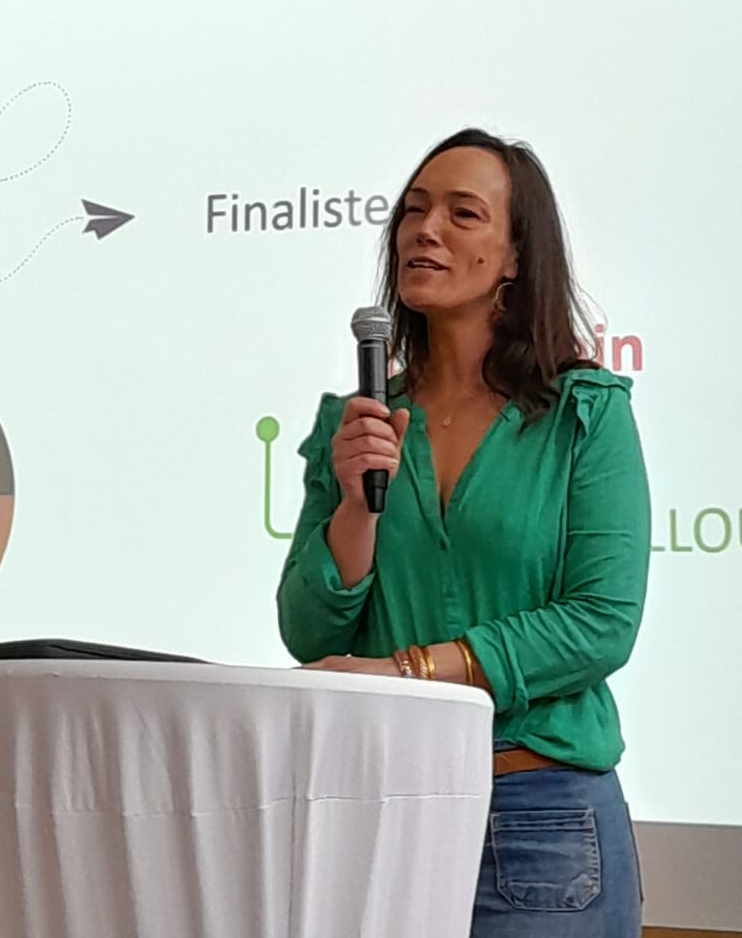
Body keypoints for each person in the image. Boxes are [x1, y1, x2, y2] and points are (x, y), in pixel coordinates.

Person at [277, 129, 651, 935]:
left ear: (515, 255)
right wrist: (356, 506)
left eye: (462, 213)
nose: (426, 230)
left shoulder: (584, 414)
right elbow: (309, 634)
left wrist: (408, 672)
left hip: (539, 813)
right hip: (376, 804)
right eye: (414, 211)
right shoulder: (357, 422)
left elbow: (602, 622)